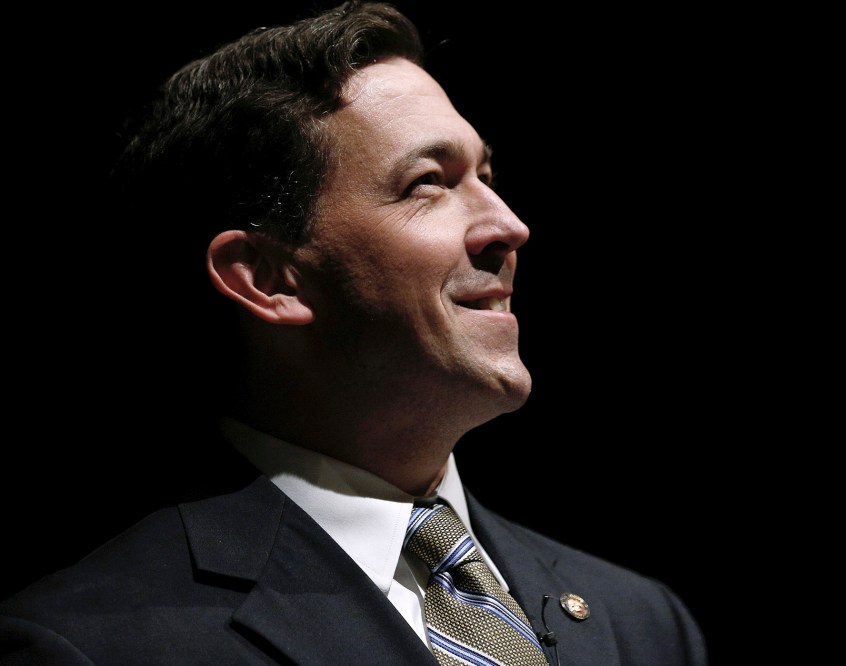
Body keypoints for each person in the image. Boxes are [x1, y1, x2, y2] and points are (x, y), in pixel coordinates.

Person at [0, 1, 707, 664]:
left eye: (487, 174)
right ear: (269, 280)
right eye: (428, 182)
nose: (508, 226)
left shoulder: (641, 623)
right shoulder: (94, 644)